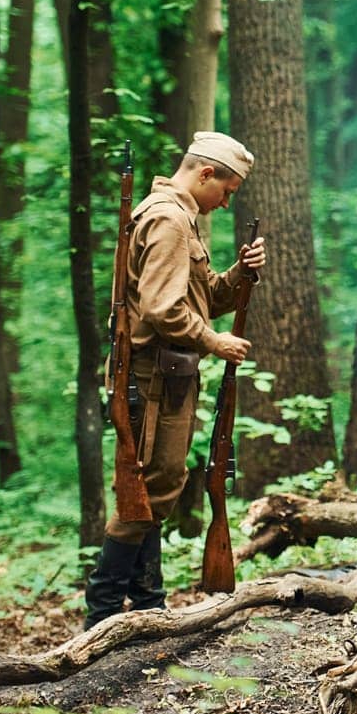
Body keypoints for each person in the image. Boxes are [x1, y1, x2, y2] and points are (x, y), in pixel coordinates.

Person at [84, 132, 266, 628]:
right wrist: (214, 341)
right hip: (154, 375)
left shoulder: (181, 217)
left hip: (168, 375)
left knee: (160, 484)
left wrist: (239, 275)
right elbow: (165, 310)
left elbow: (202, 295)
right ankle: (102, 615)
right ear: (205, 173)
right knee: (144, 486)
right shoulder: (167, 219)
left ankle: (147, 608)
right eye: (226, 191)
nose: (227, 203)